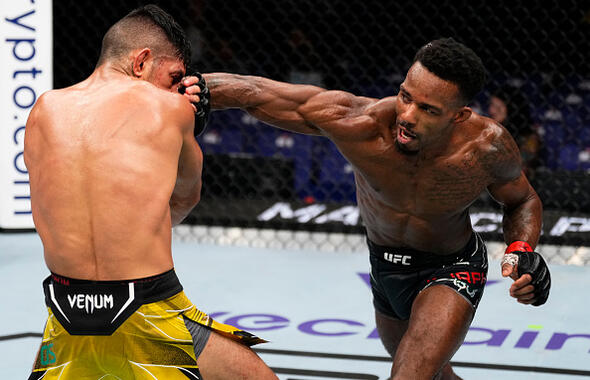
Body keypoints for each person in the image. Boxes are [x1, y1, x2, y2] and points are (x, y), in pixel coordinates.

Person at [181, 38, 551, 380]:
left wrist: (521, 250)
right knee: (435, 375)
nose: (407, 115)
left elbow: (522, 200)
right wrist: (190, 88)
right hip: (385, 265)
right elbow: (262, 94)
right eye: (406, 96)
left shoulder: (487, 147)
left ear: (459, 116)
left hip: (452, 267)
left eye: (428, 109)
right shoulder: (364, 124)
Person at [24, 5, 277, 380]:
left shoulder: (42, 109)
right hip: (148, 316)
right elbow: (184, 199)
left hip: (66, 319)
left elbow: (47, 211)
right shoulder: (170, 107)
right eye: (174, 76)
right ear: (141, 61)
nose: (176, 88)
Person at [488, 85, 542, 178]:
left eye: (497, 107)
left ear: (511, 108)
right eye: (491, 105)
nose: (491, 110)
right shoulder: (491, 132)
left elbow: (522, 169)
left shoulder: (528, 137)